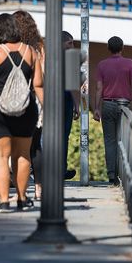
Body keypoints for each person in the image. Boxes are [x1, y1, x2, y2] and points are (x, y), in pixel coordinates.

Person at [0, 13, 43, 213]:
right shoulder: (30, 52)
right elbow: (39, 85)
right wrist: (47, 110)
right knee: (22, 155)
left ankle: (4, 200)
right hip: (26, 110)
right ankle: (22, 198)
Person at [93, 36, 132, 185]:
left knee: (110, 141)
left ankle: (112, 176)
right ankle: (122, 175)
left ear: (108, 48)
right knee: (123, 140)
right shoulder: (129, 63)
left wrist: (96, 108)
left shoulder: (102, 65)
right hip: (124, 106)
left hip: (107, 105)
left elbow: (99, 88)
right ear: (122, 47)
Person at [13, 9, 45, 200]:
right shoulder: (39, 46)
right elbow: (44, 74)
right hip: (34, 98)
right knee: (35, 147)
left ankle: (17, 186)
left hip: (13, 99)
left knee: (15, 146)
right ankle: (38, 187)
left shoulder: (9, 46)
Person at [62, 31, 79, 181]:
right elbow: (73, 86)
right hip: (65, 99)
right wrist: (77, 106)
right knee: (64, 135)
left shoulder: (47, 57)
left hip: (48, 100)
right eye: (70, 43)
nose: (73, 46)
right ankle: (61, 168)